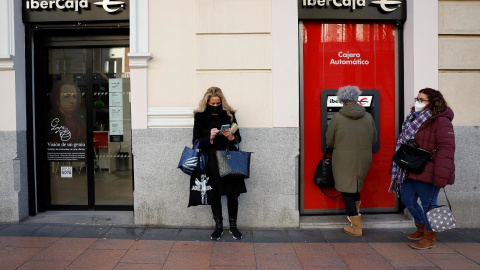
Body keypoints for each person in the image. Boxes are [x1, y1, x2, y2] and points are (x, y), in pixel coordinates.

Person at [389, 88, 455, 250]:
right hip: (409, 167)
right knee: (407, 200)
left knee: (429, 205)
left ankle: (429, 237)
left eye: (422, 100)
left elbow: (447, 149)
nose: (418, 102)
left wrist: (441, 175)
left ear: (433, 102)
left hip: (429, 169)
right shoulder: (412, 118)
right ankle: (421, 227)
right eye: (417, 99)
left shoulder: (441, 120)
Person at [192, 86, 245, 240]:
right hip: (211, 160)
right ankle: (218, 227)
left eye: (217, 103)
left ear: (221, 101)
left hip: (229, 158)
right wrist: (210, 136)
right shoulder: (200, 117)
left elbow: (239, 138)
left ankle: (233, 227)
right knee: (214, 194)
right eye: (212, 103)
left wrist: (231, 137)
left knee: (232, 194)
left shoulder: (229, 114)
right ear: (207, 102)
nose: (215, 106)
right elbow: (196, 142)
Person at [325, 86, 377, 237]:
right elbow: (374, 140)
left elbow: (329, 141)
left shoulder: (336, 117)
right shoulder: (368, 117)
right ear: (357, 99)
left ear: (342, 101)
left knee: (346, 188)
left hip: (343, 158)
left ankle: (356, 227)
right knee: (355, 186)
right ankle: (355, 220)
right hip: (364, 156)